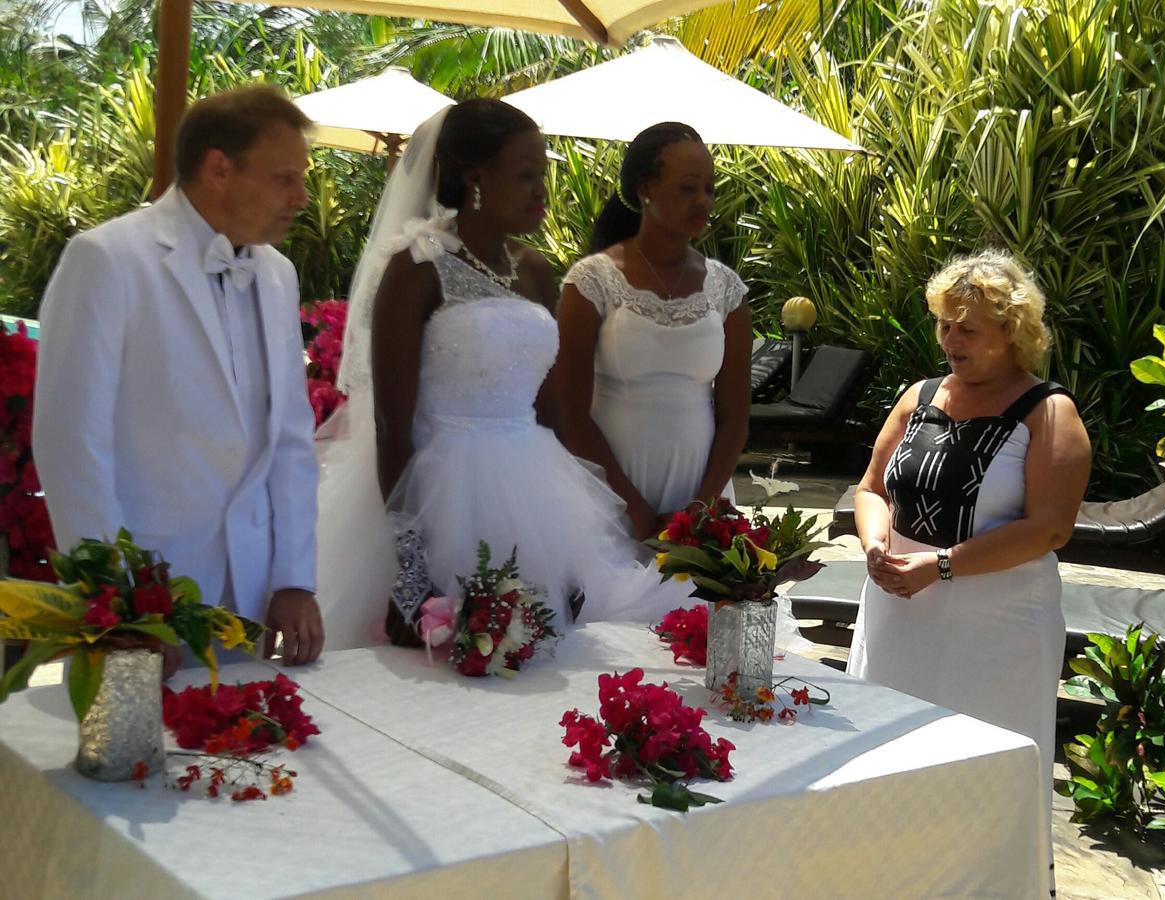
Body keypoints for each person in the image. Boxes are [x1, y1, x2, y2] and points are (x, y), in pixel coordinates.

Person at [316, 100, 674, 651]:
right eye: (527, 175)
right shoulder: (416, 267)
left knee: (539, 653)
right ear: (475, 177)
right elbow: (391, 423)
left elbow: (552, 410)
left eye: (544, 176)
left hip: (534, 484)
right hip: (440, 493)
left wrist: (577, 543)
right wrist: (412, 567)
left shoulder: (533, 269)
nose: (542, 193)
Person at [33, 85, 324, 669]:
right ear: (219, 168)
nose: (301, 196)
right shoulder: (108, 259)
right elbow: (72, 445)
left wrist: (295, 577)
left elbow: (290, 436)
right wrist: (122, 607)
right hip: (150, 595)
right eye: (283, 178)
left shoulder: (278, 274)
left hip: (250, 598)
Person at [847, 250, 1091, 893]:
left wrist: (943, 566)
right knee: (887, 754)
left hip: (997, 630)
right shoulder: (920, 395)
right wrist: (875, 544)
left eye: (967, 328)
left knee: (984, 762)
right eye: (944, 325)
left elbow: (1050, 528)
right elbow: (872, 487)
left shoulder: (1049, 411)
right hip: (900, 611)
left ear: (1012, 333)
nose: (950, 339)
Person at [555, 123, 751, 541]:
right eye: (688, 188)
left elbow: (735, 417)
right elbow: (569, 414)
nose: (703, 201)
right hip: (608, 495)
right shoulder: (591, 282)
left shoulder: (726, 289)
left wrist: (700, 509)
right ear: (646, 188)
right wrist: (631, 507)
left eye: (709, 189)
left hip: (700, 493)